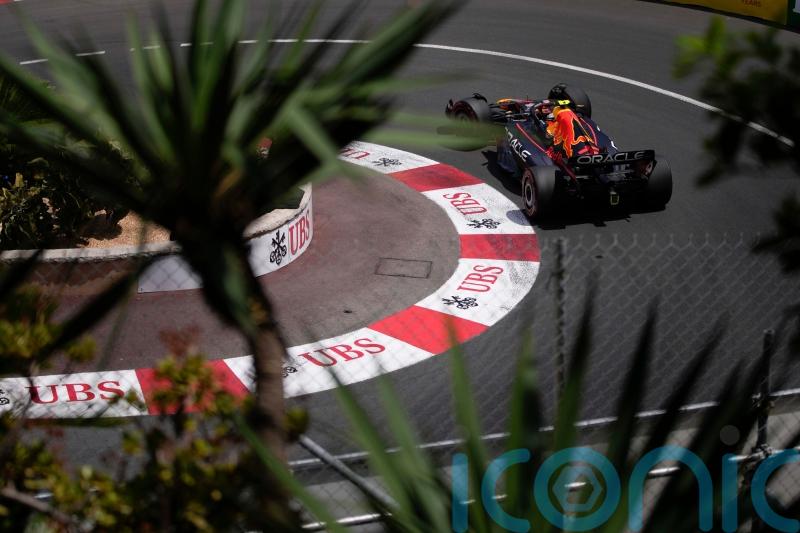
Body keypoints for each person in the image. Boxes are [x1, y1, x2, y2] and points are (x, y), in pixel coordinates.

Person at [532, 99, 600, 162]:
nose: (548, 109)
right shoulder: (547, 123)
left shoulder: (563, 112)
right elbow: (548, 136)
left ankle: (588, 149)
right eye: (545, 108)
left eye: (550, 107)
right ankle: (579, 152)